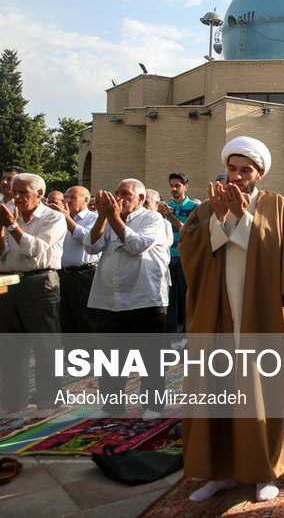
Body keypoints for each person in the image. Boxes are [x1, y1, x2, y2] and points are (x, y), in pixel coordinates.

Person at [178, 136, 284, 503]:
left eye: (245, 170)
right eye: (232, 169)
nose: (236, 176)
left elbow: (281, 253)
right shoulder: (206, 207)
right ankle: (219, 472)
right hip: (217, 315)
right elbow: (191, 251)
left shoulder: (275, 205)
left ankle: (263, 471)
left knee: (260, 392)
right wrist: (220, 218)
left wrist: (242, 217)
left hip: (261, 315)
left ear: (259, 173)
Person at [85, 178, 171, 419]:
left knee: (149, 356)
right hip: (109, 297)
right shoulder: (108, 218)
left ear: (141, 199)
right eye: (116, 193)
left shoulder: (152, 219)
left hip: (144, 297)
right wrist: (103, 217)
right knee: (111, 356)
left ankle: (153, 404)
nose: (119, 199)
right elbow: (91, 247)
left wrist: (113, 218)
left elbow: (137, 246)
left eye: (125, 194)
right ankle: (111, 404)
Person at [0, 173, 66, 415]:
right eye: (14, 192)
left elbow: (36, 250)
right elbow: (2, 253)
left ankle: (48, 401)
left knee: (45, 345)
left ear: (39, 194)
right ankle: (12, 401)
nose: (16, 197)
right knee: (9, 346)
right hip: (7, 281)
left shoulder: (53, 217)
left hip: (39, 282)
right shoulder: (7, 210)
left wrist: (11, 225)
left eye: (22, 193)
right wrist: (2, 227)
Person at [49, 186, 100, 334]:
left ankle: (90, 355)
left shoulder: (94, 218)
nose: (68, 200)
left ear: (86, 200)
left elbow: (87, 238)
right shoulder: (57, 218)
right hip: (63, 275)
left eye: (72, 197)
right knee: (65, 318)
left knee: (86, 318)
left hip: (85, 274)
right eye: (66, 197)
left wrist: (67, 218)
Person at [161, 173, 199, 337]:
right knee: (170, 298)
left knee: (185, 297)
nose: (174, 189)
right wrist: (164, 216)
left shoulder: (194, 207)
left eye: (177, 185)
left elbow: (188, 231)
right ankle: (170, 334)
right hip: (168, 257)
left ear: (185, 187)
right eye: (171, 185)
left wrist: (171, 217)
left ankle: (186, 334)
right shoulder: (166, 207)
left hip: (185, 257)